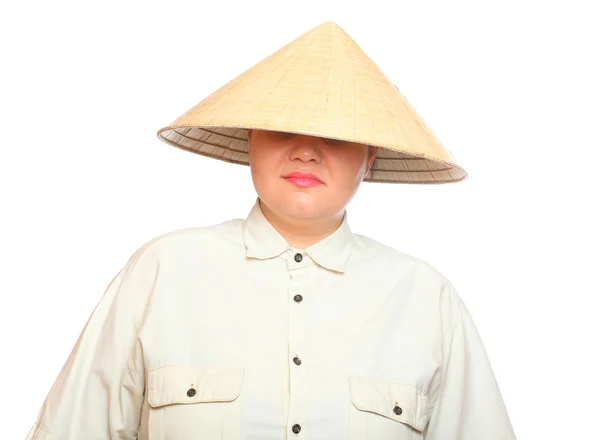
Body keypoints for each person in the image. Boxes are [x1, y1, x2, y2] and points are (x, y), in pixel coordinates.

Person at [25, 21, 516, 440]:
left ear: (370, 157)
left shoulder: (425, 298)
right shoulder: (164, 270)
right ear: (250, 139)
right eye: (283, 128)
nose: (305, 150)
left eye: (336, 134)